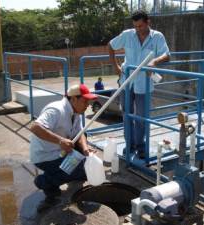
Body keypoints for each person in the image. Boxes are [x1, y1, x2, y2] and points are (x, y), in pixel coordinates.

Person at [108, 10, 170, 158]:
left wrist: (155, 61)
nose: (138, 29)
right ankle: (129, 145)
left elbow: (167, 55)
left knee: (142, 117)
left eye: (141, 26)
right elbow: (110, 46)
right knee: (127, 115)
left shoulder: (157, 37)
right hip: (127, 82)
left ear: (148, 22)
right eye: (135, 26)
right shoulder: (127, 35)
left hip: (144, 83)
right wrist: (115, 66)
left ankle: (140, 146)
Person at [29, 84, 97, 212]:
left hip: (61, 151)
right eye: (85, 101)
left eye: (88, 101)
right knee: (77, 169)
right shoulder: (56, 110)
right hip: (45, 156)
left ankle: (64, 172)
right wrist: (60, 140)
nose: (88, 104)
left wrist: (85, 149)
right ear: (73, 99)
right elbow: (35, 127)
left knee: (84, 167)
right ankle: (43, 182)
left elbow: (80, 132)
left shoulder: (75, 112)